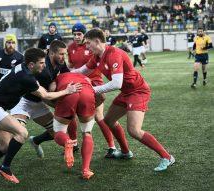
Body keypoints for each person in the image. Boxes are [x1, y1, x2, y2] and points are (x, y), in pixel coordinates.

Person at [0, 48, 81, 184]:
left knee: (5, 145)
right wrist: (68, 90)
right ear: (31, 65)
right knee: (22, 133)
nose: (44, 66)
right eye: (41, 63)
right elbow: (46, 95)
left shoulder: (24, 68)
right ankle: (5, 168)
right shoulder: (26, 76)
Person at [72, 28, 175, 172]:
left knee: (134, 130)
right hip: (126, 92)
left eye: (88, 43)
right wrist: (64, 74)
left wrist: (93, 90)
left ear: (97, 41)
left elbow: (116, 83)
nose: (87, 47)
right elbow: (83, 70)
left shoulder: (114, 54)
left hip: (138, 91)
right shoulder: (97, 56)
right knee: (108, 120)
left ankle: (167, 157)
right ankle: (126, 152)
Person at [9, 40, 71, 160]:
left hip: (38, 102)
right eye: (62, 54)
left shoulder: (60, 63)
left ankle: (35, 141)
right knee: (16, 134)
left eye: (65, 53)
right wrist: (63, 100)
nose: (64, 57)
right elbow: (46, 96)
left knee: (57, 132)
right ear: (52, 53)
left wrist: (55, 82)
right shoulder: (43, 69)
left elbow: (67, 76)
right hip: (23, 101)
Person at [68, 23, 117, 158]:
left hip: (94, 83)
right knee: (71, 115)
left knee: (98, 116)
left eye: (79, 34)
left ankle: (112, 146)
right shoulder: (70, 48)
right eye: (74, 34)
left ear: (85, 35)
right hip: (77, 85)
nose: (76, 37)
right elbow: (72, 66)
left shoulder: (91, 47)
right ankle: (74, 144)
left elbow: (91, 67)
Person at [52, 73, 96, 180]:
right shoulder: (85, 77)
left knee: (58, 131)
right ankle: (86, 170)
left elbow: (52, 90)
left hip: (68, 92)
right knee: (87, 132)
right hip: (86, 93)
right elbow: (101, 96)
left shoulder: (58, 76)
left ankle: (67, 141)